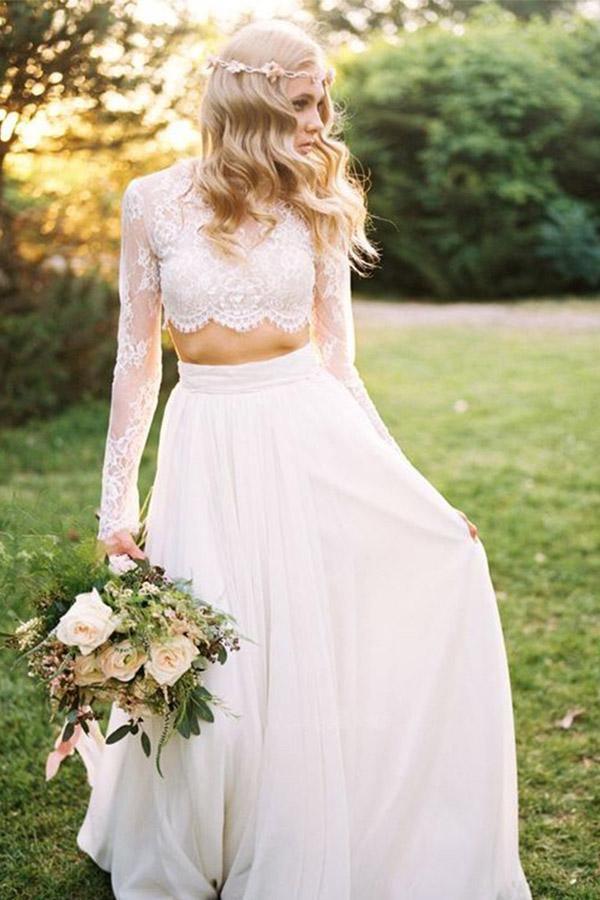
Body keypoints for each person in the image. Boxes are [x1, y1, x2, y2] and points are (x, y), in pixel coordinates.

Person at [76, 17, 533, 900]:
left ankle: (306, 826)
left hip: (308, 435)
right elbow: (136, 364)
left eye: (323, 99)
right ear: (248, 103)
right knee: (213, 656)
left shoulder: (315, 201)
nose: (321, 120)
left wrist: (414, 492)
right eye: (301, 102)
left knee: (305, 648)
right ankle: (211, 835)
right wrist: (115, 508)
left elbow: (339, 365)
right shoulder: (151, 202)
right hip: (207, 443)